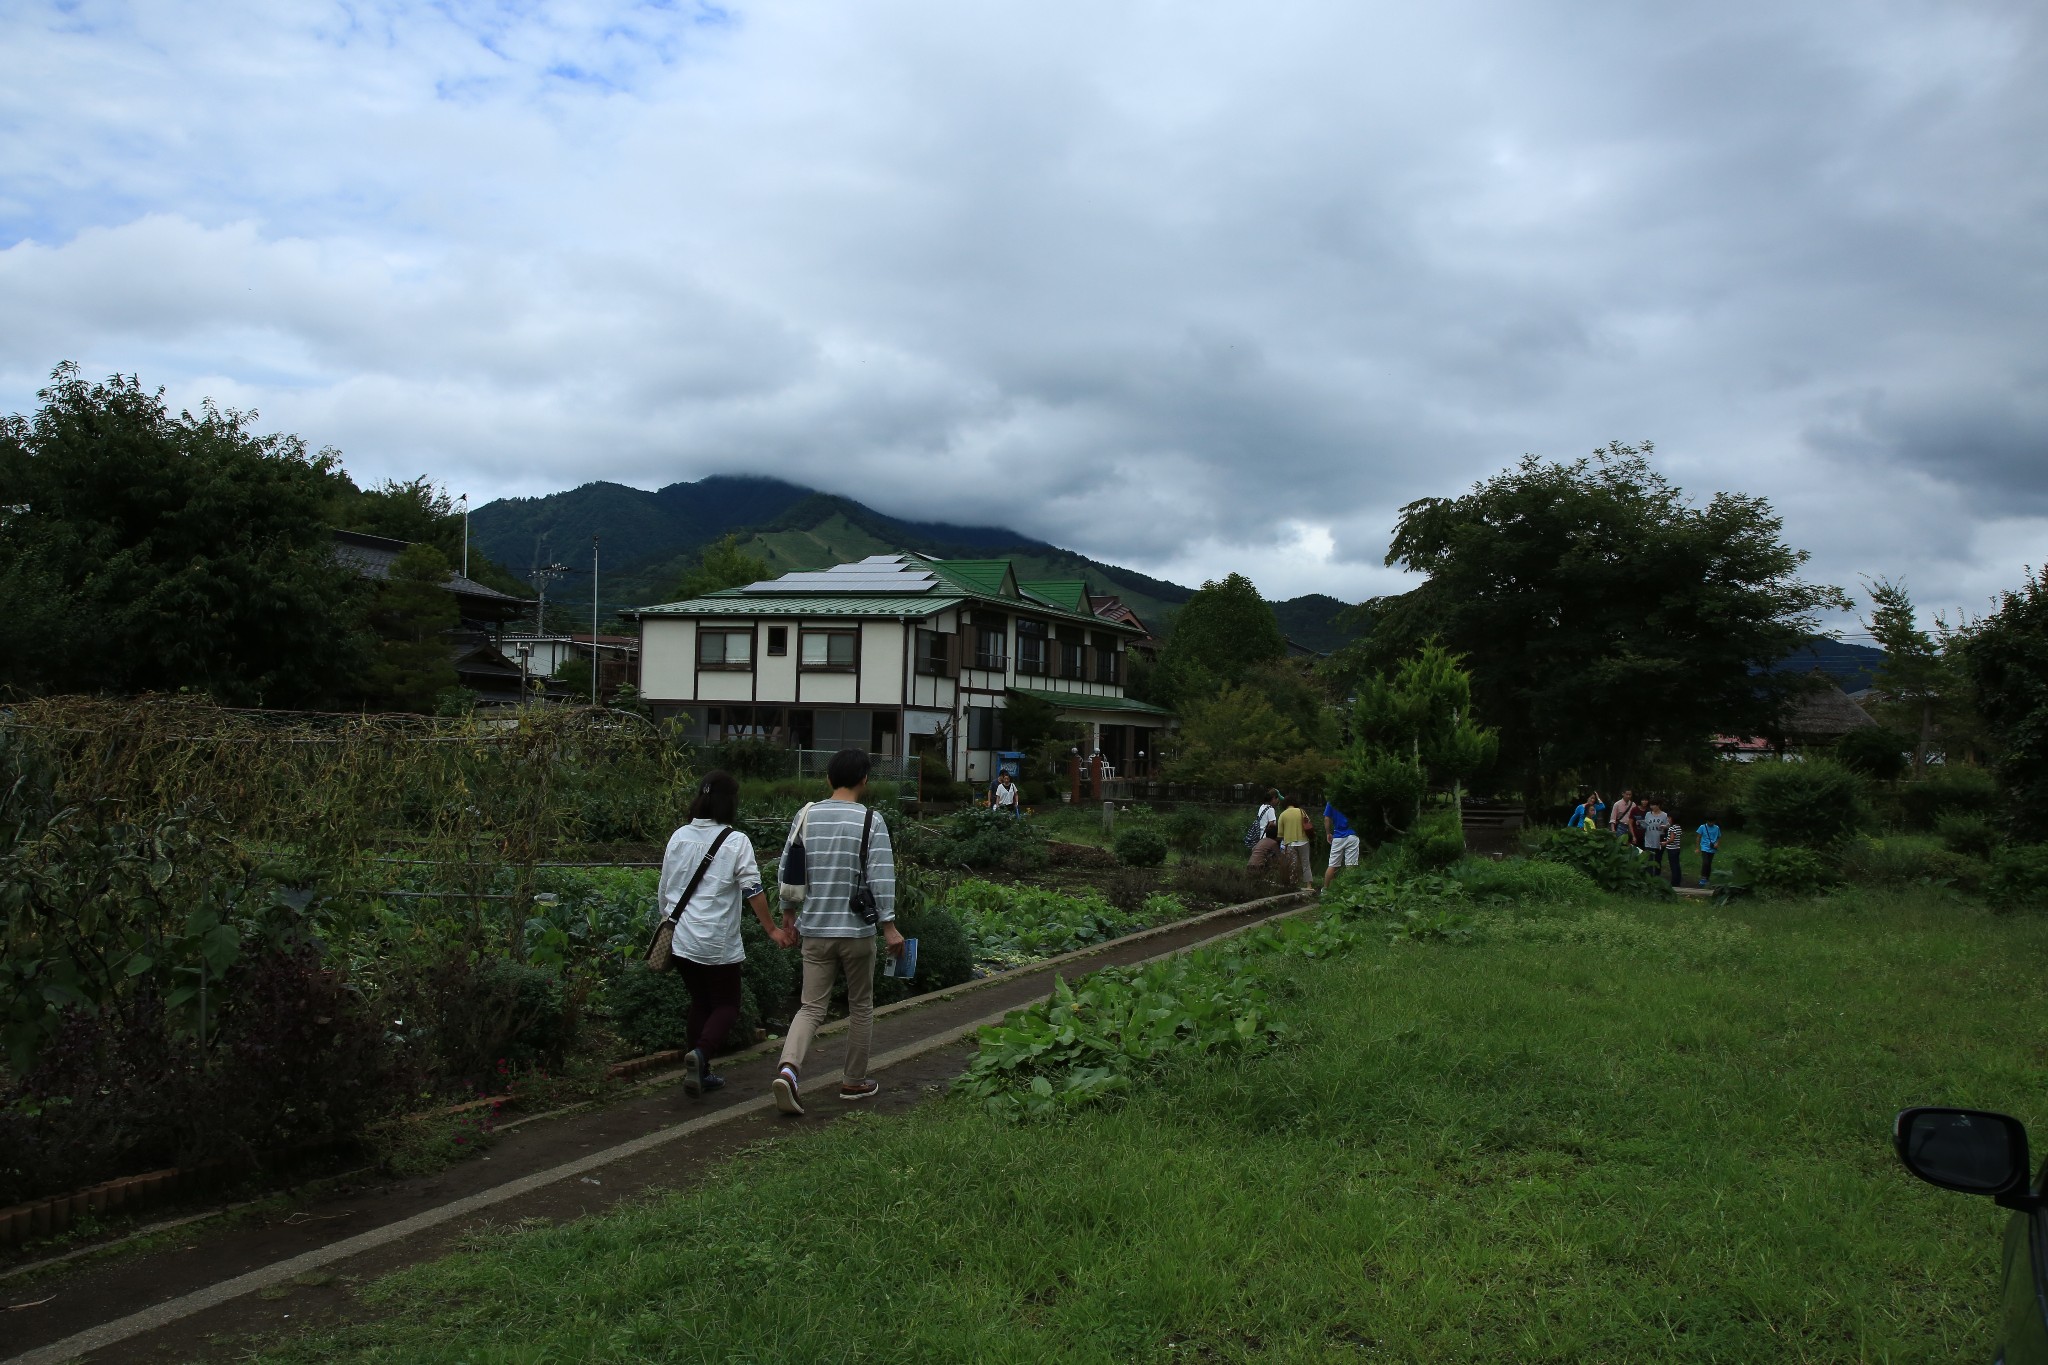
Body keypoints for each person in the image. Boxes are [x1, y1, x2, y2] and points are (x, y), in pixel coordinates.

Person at [772, 749, 906, 1116]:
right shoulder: (870, 820)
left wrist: (787, 914)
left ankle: (788, 1069)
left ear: (829, 779)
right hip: (857, 933)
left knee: (811, 1007)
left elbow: (788, 867)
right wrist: (890, 927)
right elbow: (881, 876)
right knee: (860, 1006)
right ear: (864, 780)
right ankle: (853, 1081)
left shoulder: (806, 815)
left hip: (814, 928)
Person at [658, 771, 792, 1100]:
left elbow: (664, 889)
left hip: (681, 938)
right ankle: (701, 1056)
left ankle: (699, 1073)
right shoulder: (735, 841)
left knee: (700, 1002)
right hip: (715, 940)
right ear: (729, 803)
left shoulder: (679, 836)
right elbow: (754, 890)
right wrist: (772, 929)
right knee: (728, 1005)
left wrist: (669, 917)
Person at [1277, 795, 1314, 891]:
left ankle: (1293, 885)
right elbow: (1308, 823)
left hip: (1290, 842)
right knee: (1306, 863)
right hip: (1304, 841)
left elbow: (1280, 833)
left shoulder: (1283, 815)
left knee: (1292, 864)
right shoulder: (1301, 811)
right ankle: (1309, 885)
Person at [1322, 800, 1359, 890]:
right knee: (1351, 865)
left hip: (1338, 836)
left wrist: (1328, 833)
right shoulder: (1351, 797)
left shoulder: (1332, 800)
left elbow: (1327, 818)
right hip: (1352, 835)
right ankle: (1349, 890)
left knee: (1332, 865)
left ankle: (1325, 890)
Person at [1638, 800, 1671, 873]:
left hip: (1659, 840)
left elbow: (1669, 825)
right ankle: (1649, 878)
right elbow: (1645, 825)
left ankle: (1657, 877)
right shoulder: (1648, 814)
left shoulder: (1664, 815)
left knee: (1657, 860)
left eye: (1653, 805)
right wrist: (1640, 823)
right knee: (1649, 861)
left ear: (1658, 805)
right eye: (1651, 805)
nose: (1652, 807)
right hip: (1649, 839)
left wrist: (1664, 827)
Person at [1696, 816, 1721, 887]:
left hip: (1712, 848)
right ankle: (1703, 878)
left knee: (1709, 863)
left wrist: (1717, 843)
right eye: (1709, 821)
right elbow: (1698, 837)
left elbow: (1719, 837)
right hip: (1704, 847)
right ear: (1707, 821)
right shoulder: (1702, 827)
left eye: (1712, 822)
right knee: (1705, 862)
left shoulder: (1717, 828)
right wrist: (1697, 848)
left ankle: (1707, 878)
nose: (1711, 823)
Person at [1662, 813, 1685, 887]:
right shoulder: (1678, 827)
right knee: (1677, 865)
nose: (1668, 820)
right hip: (1677, 848)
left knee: (1673, 866)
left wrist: (1665, 842)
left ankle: (1674, 882)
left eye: (1669, 818)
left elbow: (1672, 839)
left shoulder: (1672, 828)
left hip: (1672, 849)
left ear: (1672, 819)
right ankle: (1678, 881)